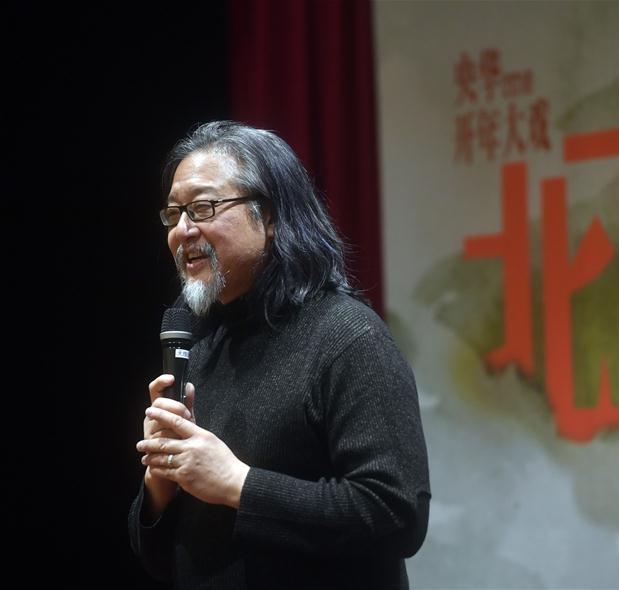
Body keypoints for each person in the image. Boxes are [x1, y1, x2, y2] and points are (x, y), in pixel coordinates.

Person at [128, 121, 431, 589]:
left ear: (269, 217)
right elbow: (166, 560)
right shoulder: (201, 345)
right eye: (174, 214)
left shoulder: (347, 337)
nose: (182, 231)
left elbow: (396, 513)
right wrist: (160, 485)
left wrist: (239, 485)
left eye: (203, 208)